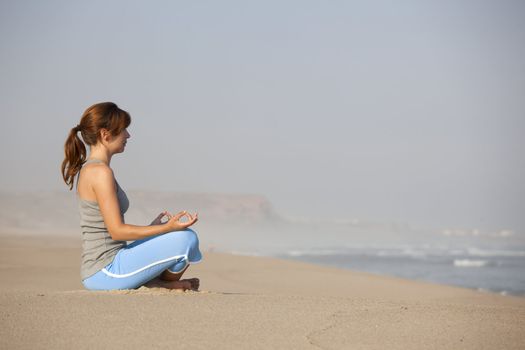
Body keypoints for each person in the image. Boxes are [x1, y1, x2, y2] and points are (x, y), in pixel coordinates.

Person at [61, 102, 202, 291]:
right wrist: (166, 228)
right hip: (105, 271)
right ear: (105, 134)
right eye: (123, 130)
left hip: (116, 259)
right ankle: (162, 284)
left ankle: (157, 283)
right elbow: (117, 231)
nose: (128, 135)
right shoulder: (99, 172)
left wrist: (156, 229)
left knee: (180, 235)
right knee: (187, 240)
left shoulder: (95, 169)